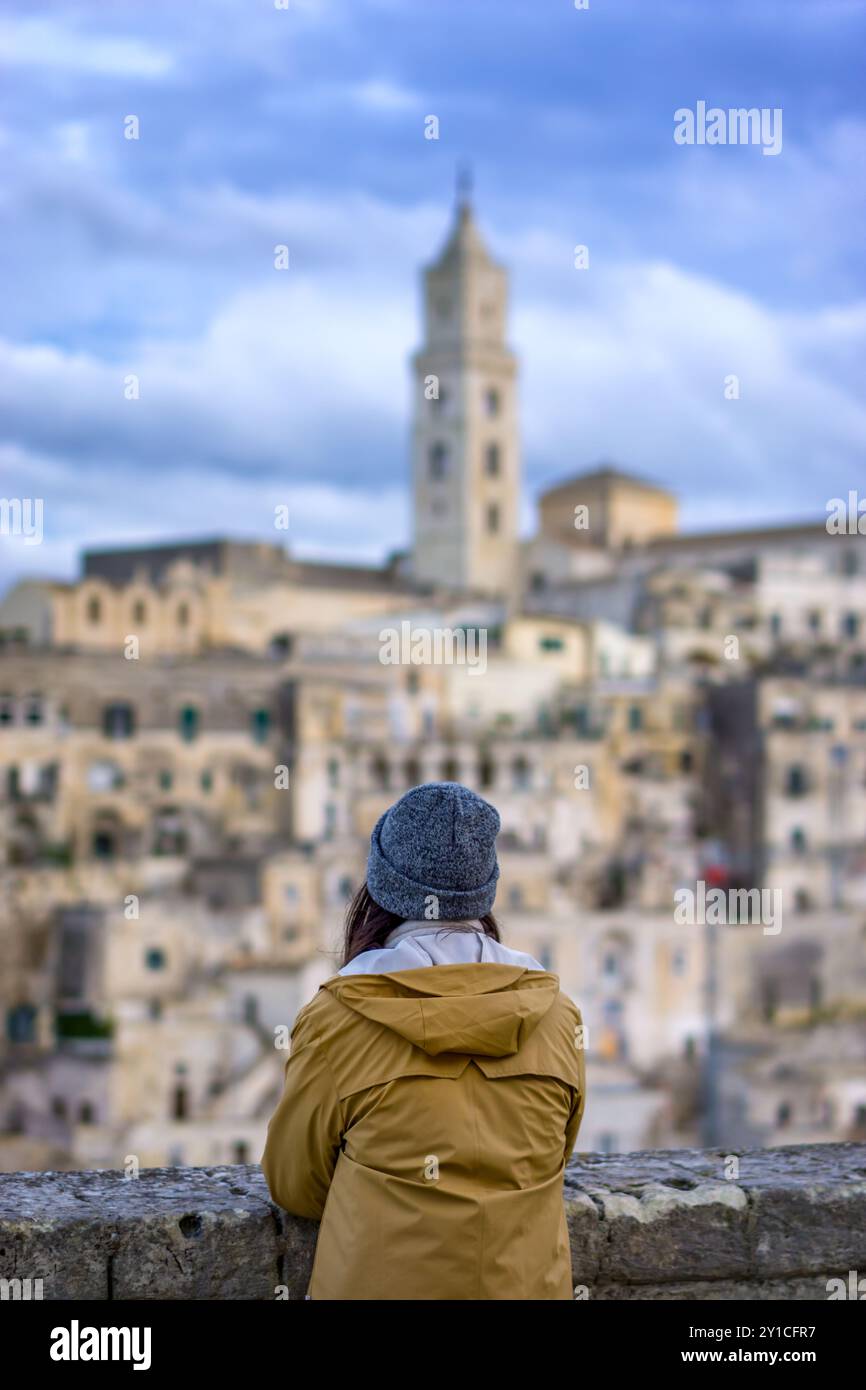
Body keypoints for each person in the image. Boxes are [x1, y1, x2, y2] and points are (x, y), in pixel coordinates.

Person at [260, 781, 586, 1300]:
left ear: (381, 889)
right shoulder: (557, 1016)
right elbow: (553, 1156)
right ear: (486, 889)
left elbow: (295, 1184)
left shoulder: (338, 1019)